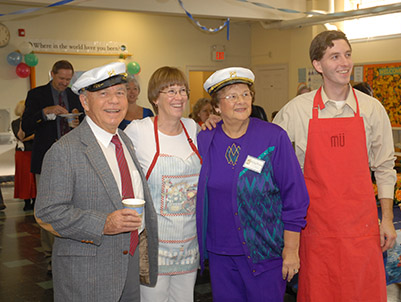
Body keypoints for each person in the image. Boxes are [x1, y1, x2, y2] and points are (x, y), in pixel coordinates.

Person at [273, 30, 397, 301]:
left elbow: (385, 167)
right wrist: (222, 126)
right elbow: (267, 153)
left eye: (348, 55)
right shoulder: (296, 111)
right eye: (335, 57)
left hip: (362, 229)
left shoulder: (372, 109)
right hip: (316, 229)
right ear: (318, 65)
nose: (345, 63)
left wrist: (386, 219)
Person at [34, 62, 158, 301]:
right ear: (85, 102)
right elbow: (47, 213)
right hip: (88, 274)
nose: (115, 101)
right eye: (104, 94)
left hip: (129, 261)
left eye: (120, 93)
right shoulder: (64, 151)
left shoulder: (124, 140)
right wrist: (103, 224)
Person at [197, 67, 309, 302]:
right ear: (216, 107)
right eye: (232, 96)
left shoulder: (274, 137)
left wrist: (291, 250)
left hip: (265, 253)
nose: (241, 101)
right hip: (220, 255)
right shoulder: (205, 138)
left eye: (246, 94)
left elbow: (295, 198)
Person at [125, 66, 200, 302]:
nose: (178, 97)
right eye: (170, 91)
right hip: (154, 245)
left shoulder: (194, 128)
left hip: (189, 242)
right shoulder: (139, 130)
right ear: (155, 98)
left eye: (182, 91)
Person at [22, 60, 84, 273]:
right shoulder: (37, 95)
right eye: (61, 79)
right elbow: (26, 126)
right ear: (52, 74)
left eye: (68, 80)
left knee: (75, 206)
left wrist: (77, 121)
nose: (64, 83)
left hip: (74, 159)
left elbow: (86, 125)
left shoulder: (75, 97)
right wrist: (45, 112)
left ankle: (72, 250)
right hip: (46, 158)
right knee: (48, 209)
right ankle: (51, 256)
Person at [11, 100, 36, 211]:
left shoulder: (34, 121)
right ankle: (26, 201)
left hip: (33, 151)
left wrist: (26, 139)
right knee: (24, 177)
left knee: (34, 177)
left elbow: (37, 135)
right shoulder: (15, 123)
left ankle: (35, 200)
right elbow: (20, 137)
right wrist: (22, 122)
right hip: (22, 153)